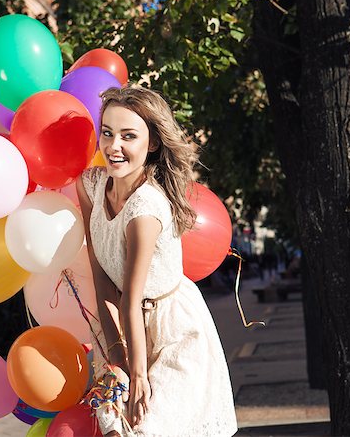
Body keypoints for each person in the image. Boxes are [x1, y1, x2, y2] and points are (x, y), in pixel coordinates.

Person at [76, 86, 237, 437]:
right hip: (119, 327)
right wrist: (116, 359)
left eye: (128, 136)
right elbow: (101, 276)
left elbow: (132, 299)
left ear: (150, 144)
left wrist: (136, 377)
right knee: (114, 427)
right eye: (107, 132)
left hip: (172, 331)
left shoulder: (145, 207)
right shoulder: (90, 185)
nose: (113, 146)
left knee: (149, 428)